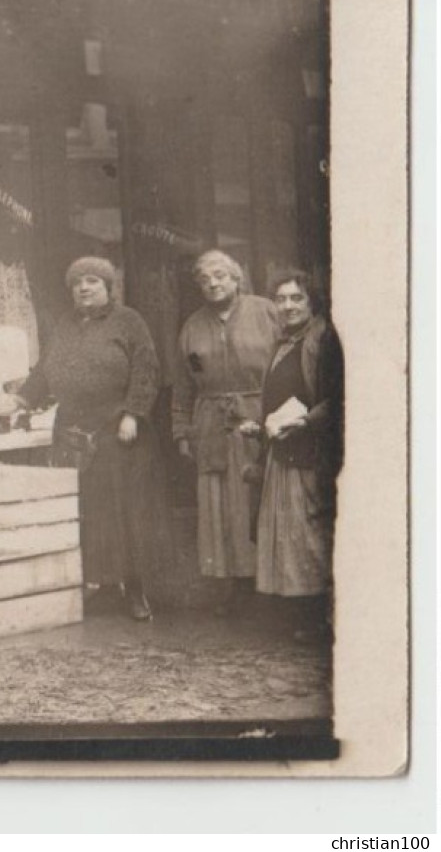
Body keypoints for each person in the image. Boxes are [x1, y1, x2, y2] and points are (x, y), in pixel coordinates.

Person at [17, 257, 159, 621]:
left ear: (108, 287)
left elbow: (146, 368)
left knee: (124, 511)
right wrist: (21, 398)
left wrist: (133, 413)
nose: (84, 288)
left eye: (93, 281)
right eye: (77, 282)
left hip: (117, 431)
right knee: (90, 511)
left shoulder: (128, 321)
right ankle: (105, 585)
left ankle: (136, 591)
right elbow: (44, 369)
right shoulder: (64, 325)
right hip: (73, 434)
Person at [171, 249, 281, 614]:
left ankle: (270, 584)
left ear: (237, 278)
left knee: (258, 498)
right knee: (220, 506)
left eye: (219, 275)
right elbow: (184, 387)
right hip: (211, 425)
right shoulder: (192, 326)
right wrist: (183, 432)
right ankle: (233, 586)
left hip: (259, 417)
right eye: (204, 279)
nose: (212, 283)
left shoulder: (266, 311)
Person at [244, 271, 343, 642]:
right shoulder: (283, 342)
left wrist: (305, 421)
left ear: (311, 302)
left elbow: (336, 397)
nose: (287, 306)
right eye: (281, 299)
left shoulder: (323, 339)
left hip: (309, 450)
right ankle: (295, 616)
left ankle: (319, 619)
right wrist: (261, 426)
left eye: (295, 298)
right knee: (289, 537)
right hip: (282, 449)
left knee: (309, 536)